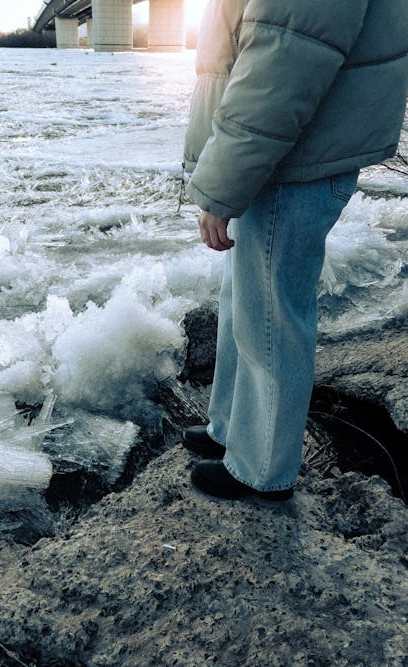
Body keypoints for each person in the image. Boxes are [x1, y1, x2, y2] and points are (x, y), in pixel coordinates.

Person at [182, 0, 407, 501]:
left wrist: (221, 188)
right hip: (289, 153)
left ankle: (262, 468)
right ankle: (229, 430)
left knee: (271, 314)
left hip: (294, 158)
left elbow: (279, 74)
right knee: (247, 298)